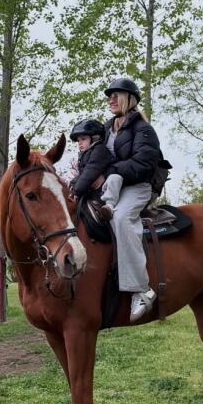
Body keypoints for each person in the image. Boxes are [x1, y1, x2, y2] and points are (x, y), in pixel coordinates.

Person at [98, 77, 163, 322]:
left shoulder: (143, 129)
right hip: (111, 185)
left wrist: (110, 172)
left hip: (137, 186)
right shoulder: (105, 128)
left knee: (122, 218)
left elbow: (145, 164)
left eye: (117, 94)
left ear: (130, 99)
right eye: (109, 95)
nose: (111, 99)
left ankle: (141, 290)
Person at [68, 119, 115, 201]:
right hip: (93, 192)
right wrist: (72, 183)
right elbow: (83, 175)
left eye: (83, 139)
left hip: (102, 193)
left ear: (95, 138)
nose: (79, 143)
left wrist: (76, 191)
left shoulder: (99, 150)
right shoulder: (85, 154)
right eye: (78, 140)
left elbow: (90, 171)